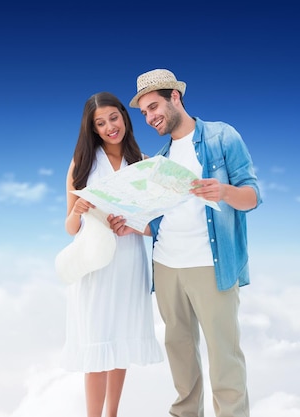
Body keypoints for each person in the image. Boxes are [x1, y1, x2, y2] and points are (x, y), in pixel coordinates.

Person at [109, 69, 262, 417]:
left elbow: (252, 197)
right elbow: (163, 218)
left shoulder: (222, 137)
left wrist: (223, 191)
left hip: (210, 265)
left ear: (174, 97)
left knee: (224, 355)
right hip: (165, 266)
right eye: (144, 112)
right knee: (179, 353)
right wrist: (134, 225)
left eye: (153, 107)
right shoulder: (159, 159)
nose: (149, 118)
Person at [61, 91, 164, 417]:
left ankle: (112, 413)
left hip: (129, 260)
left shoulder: (143, 163)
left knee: (121, 340)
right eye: (100, 123)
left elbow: (154, 222)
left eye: (113, 118)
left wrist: (133, 226)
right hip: (95, 263)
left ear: (124, 116)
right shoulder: (82, 164)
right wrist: (77, 209)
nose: (109, 127)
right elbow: (69, 228)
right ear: (92, 128)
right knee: (97, 342)